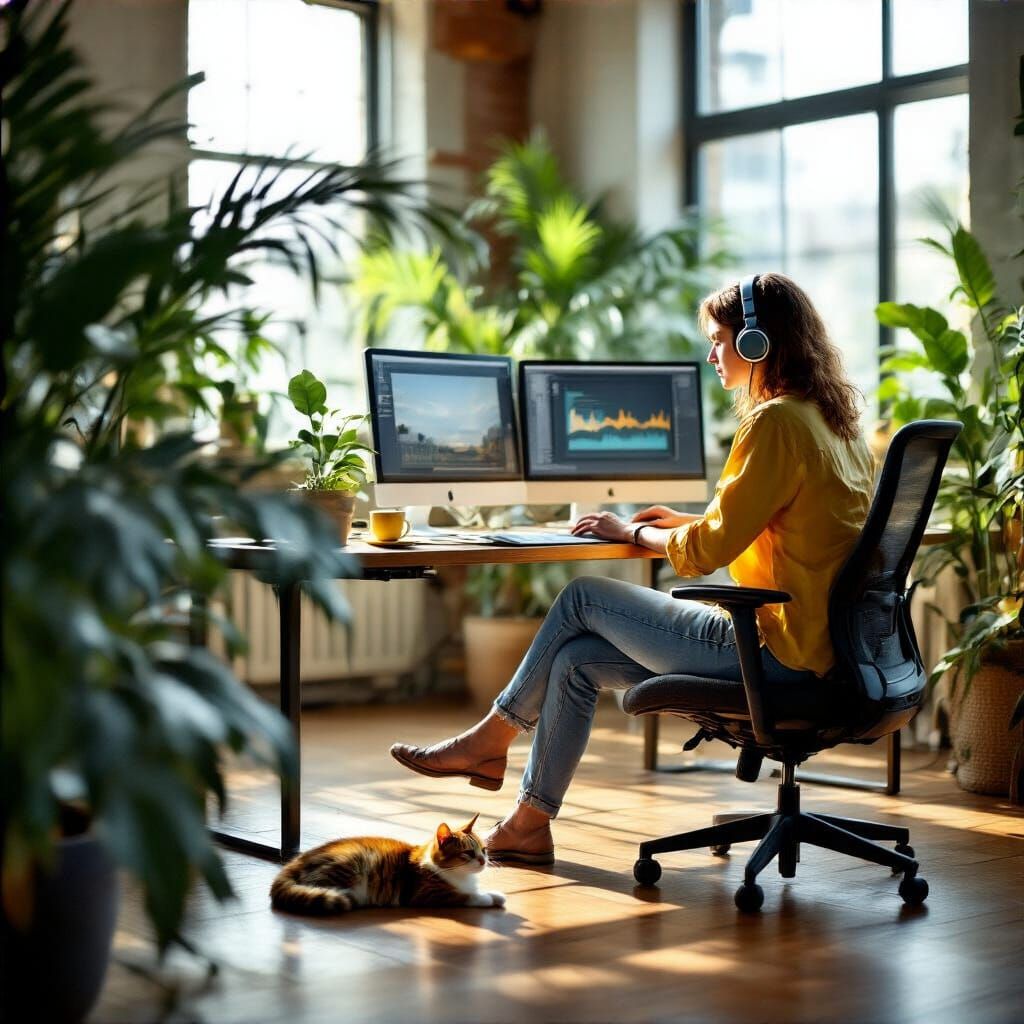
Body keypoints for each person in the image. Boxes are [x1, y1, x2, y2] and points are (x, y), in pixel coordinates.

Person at [390, 273, 874, 865]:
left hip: (776, 647)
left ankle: (489, 740)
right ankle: (527, 824)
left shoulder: (774, 423)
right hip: (827, 650)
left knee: (582, 597)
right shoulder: (831, 424)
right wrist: (685, 518)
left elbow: (705, 555)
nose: (712, 355)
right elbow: (783, 519)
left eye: (720, 339)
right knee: (574, 662)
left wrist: (632, 531)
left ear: (756, 343)